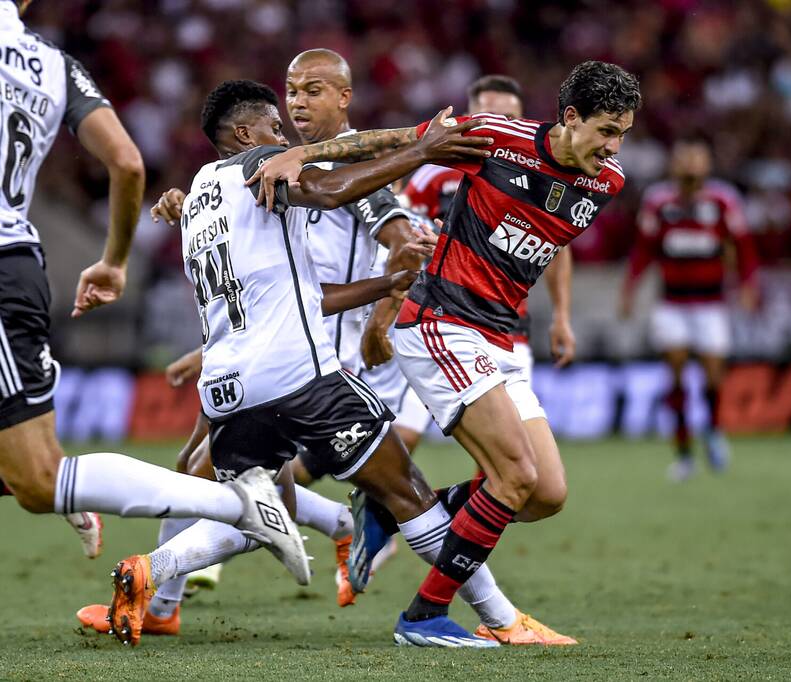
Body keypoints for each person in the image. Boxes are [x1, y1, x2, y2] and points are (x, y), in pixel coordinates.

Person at [101, 79, 548, 649]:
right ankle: (495, 619)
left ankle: (150, 572)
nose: (282, 134)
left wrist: (386, 283)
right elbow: (331, 191)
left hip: (231, 389)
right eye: (272, 123)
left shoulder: (195, 202)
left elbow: (302, 292)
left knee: (266, 514)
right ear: (244, 134)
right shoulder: (260, 166)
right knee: (406, 490)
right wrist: (420, 151)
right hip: (301, 378)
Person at [249, 60, 641, 647]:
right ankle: (425, 616)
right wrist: (301, 156)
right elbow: (398, 141)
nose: (614, 148)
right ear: (570, 118)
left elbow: (545, 236)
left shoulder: (606, 183)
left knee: (546, 495)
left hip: (500, 337)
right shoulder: (498, 139)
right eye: (607, 131)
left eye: (623, 135)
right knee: (514, 477)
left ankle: (391, 509)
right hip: (442, 322)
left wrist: (556, 315)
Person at [0, 0, 315, 607]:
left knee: (40, 480)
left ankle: (236, 504)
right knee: (40, 477)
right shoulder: (52, 66)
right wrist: (114, 261)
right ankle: (68, 485)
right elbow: (125, 161)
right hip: (18, 259)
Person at [386, 74, 576, 455]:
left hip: (509, 328)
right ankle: (392, 511)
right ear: (471, 117)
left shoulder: (542, 176)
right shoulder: (433, 174)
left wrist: (561, 316)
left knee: (512, 458)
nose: (502, 125)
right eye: (491, 115)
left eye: (512, 116)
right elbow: (397, 235)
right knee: (404, 439)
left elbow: (558, 247)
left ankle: (439, 515)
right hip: (441, 316)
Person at [619, 134, 758, 481]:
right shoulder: (658, 200)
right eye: (684, 158)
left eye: (696, 158)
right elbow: (643, 250)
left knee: (712, 377)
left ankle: (712, 428)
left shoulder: (723, 199)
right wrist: (630, 289)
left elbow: (745, 248)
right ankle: (683, 455)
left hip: (711, 303)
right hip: (673, 303)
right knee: (676, 375)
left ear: (707, 163)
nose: (690, 165)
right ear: (674, 163)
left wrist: (747, 285)